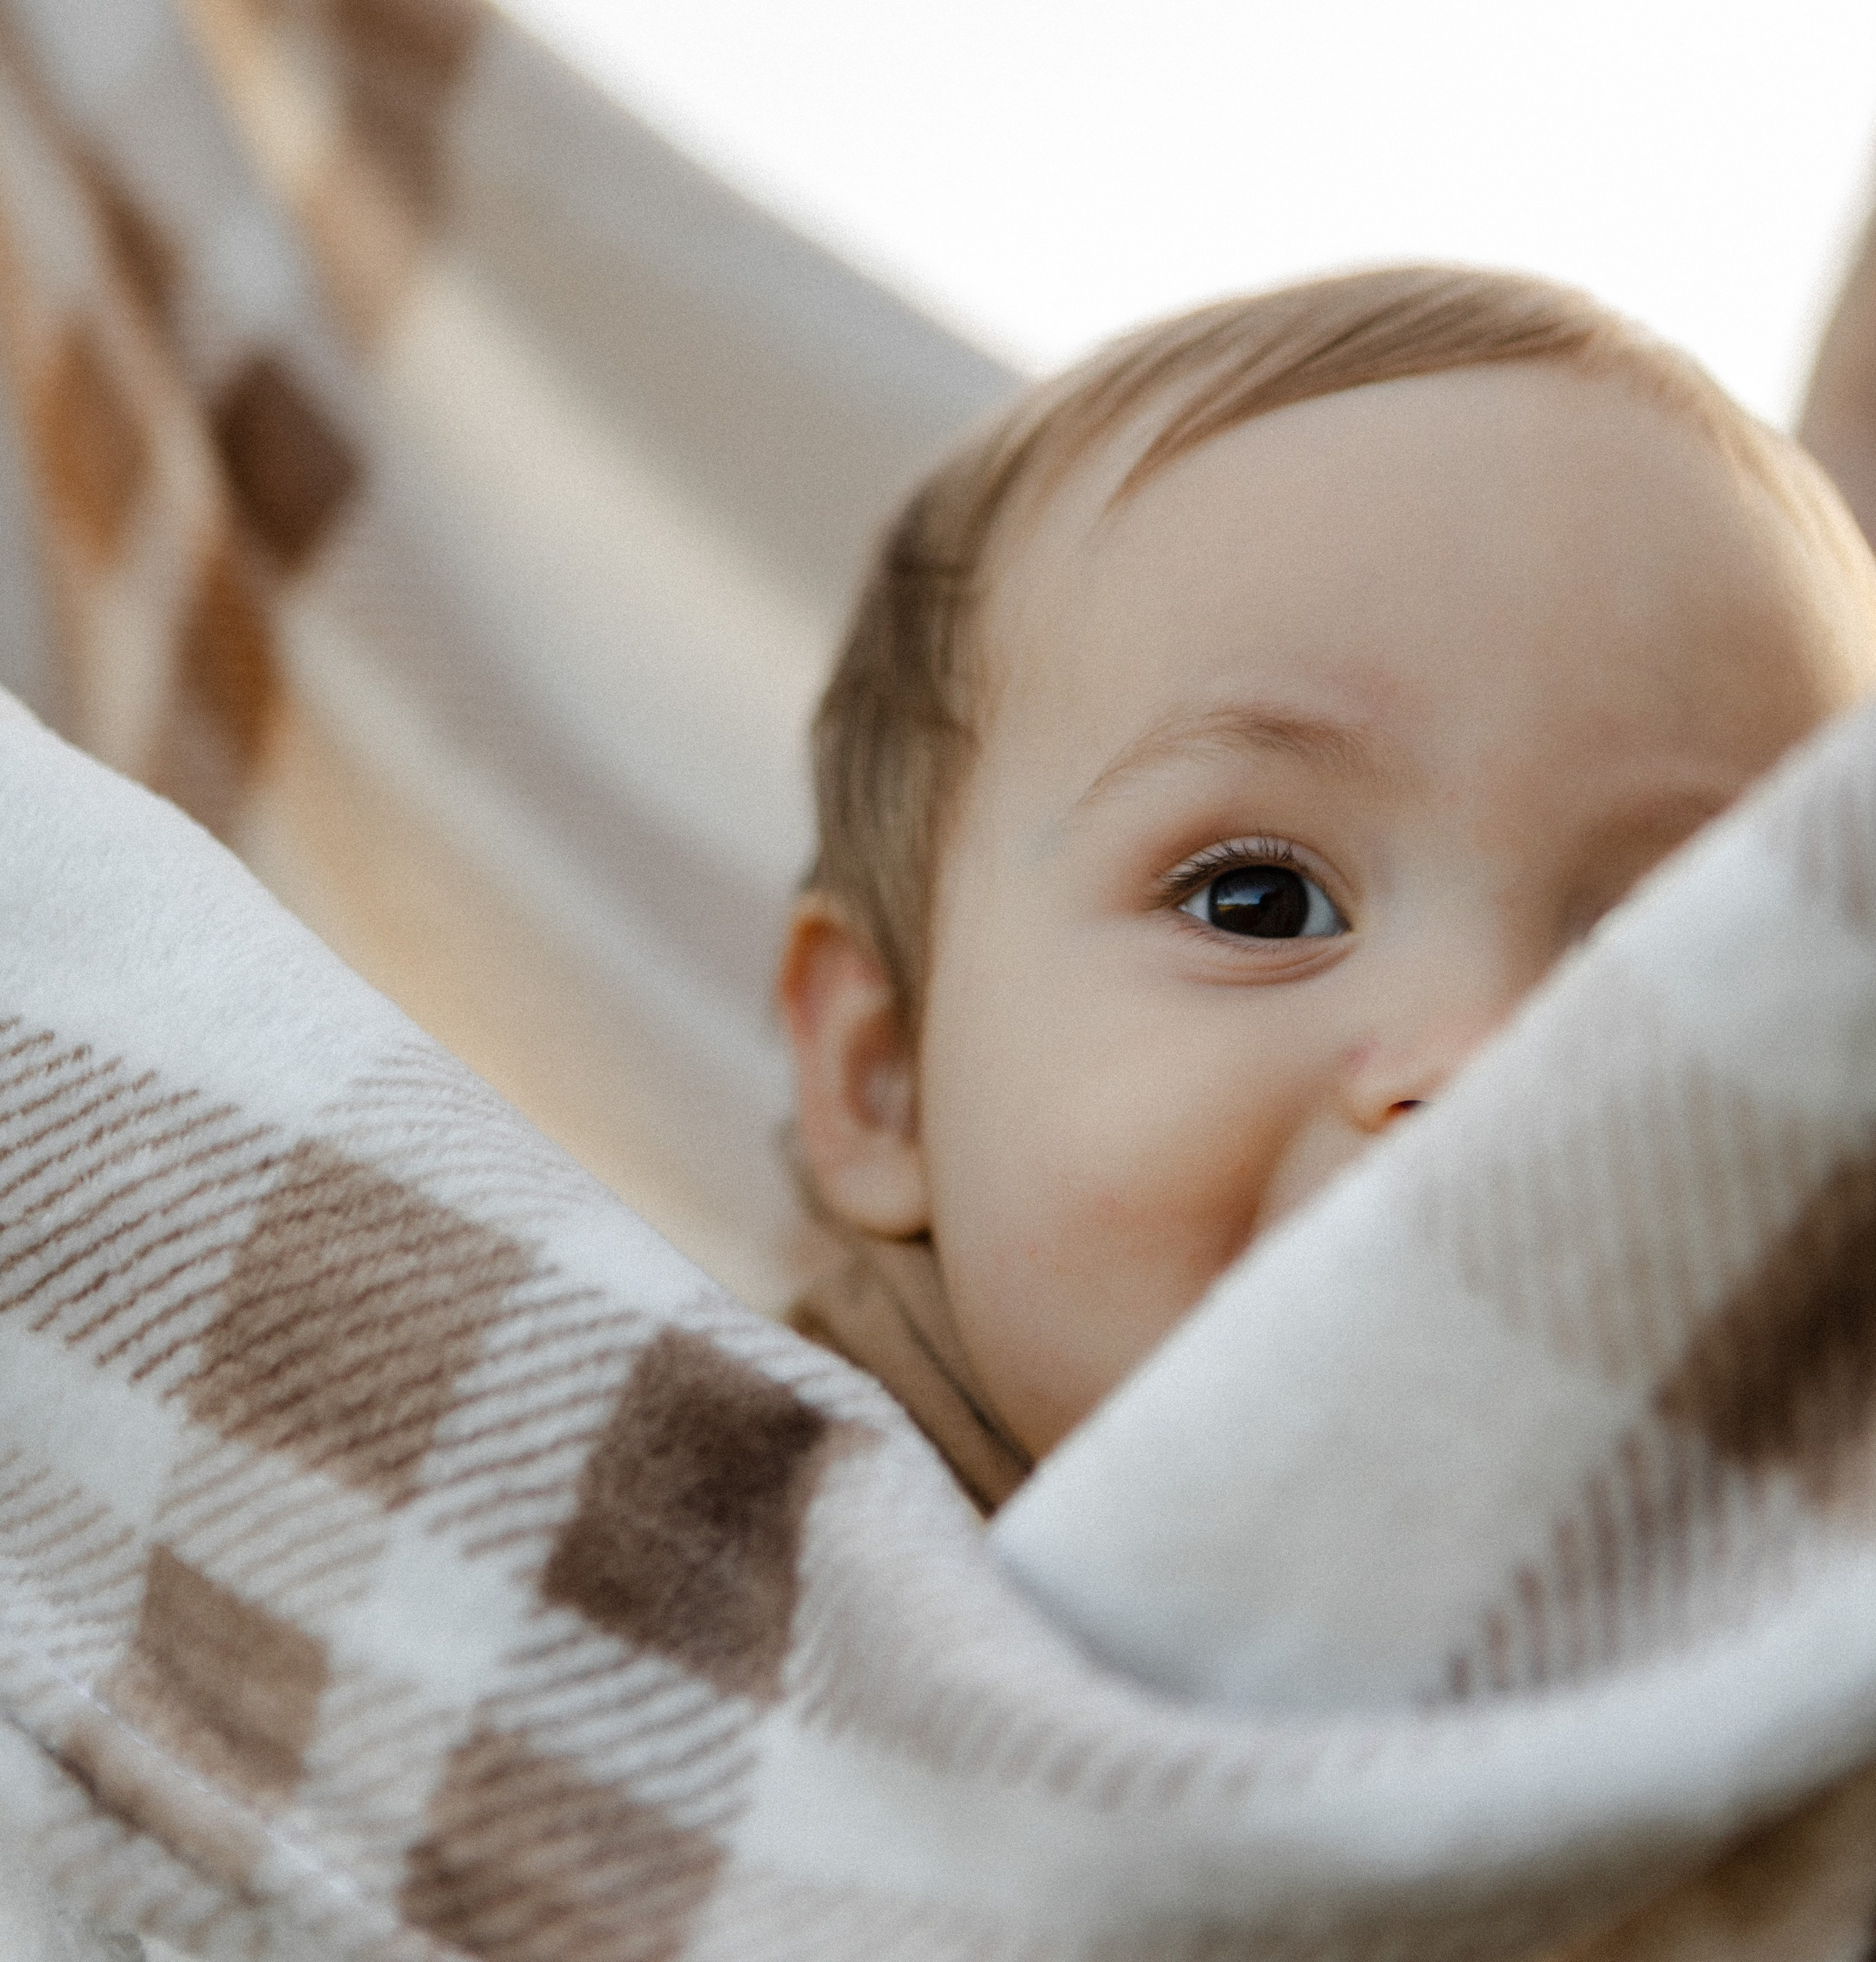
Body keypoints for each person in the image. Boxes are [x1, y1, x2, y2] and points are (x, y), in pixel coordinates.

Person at [777, 265, 1876, 1508]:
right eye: (1259, 902)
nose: (1483, 1064)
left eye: (1663, 958)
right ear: (886, 1077)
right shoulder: (677, 1524)